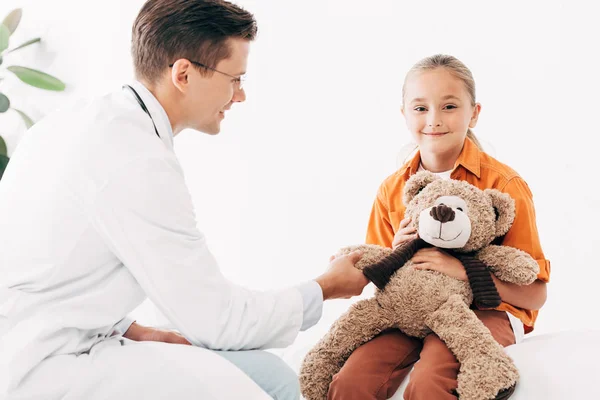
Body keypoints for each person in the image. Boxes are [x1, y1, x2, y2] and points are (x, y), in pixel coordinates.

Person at [0, 1, 369, 399]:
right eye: (236, 78)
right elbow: (218, 320)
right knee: (265, 388)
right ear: (183, 73)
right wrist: (324, 288)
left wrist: (128, 327)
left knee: (269, 375)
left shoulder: (80, 122)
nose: (240, 96)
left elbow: (52, 265)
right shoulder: (135, 159)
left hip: (40, 339)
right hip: (45, 367)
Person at [327, 54, 550, 400]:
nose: (433, 120)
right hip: (415, 308)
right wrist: (395, 255)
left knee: (430, 381)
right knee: (349, 383)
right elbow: (379, 282)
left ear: (474, 113)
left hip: (488, 312)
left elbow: (535, 293)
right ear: (403, 114)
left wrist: (463, 271)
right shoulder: (393, 188)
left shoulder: (504, 185)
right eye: (420, 108)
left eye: (449, 106)